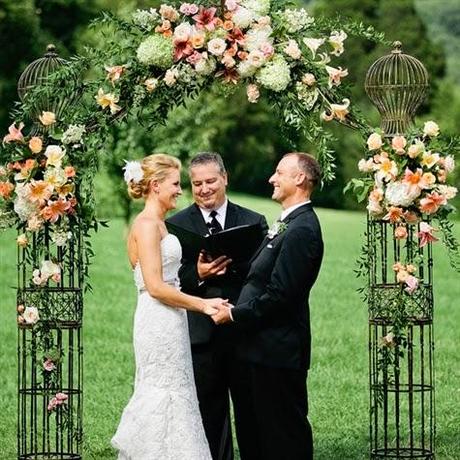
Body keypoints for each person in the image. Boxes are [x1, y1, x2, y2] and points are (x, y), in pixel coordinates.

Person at [111, 153, 228, 460]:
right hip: (158, 321)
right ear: (155, 185)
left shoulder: (159, 224)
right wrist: (203, 304)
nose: (180, 190)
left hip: (170, 318)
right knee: (161, 393)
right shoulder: (147, 225)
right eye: (175, 184)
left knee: (178, 392)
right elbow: (154, 286)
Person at [213, 152, 324, 460]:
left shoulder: (303, 230)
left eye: (279, 172)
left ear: (299, 178)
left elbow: (280, 296)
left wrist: (234, 314)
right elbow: (258, 273)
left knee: (282, 435)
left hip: (278, 352)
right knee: (255, 435)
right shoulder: (287, 222)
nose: (271, 178)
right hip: (256, 349)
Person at [166, 152, 267, 460]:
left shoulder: (253, 221)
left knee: (251, 415)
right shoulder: (175, 224)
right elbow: (167, 278)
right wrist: (198, 273)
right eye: (197, 184)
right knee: (208, 416)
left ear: (225, 178)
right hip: (200, 336)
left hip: (242, 332)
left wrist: (230, 268)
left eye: (211, 181)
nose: (204, 189)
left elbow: (263, 274)